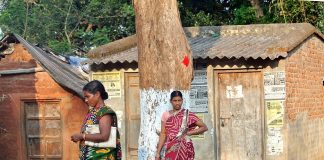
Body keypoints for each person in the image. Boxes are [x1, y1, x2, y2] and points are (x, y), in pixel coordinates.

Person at [71, 80, 122, 160]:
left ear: (97, 94)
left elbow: (104, 136)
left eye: (88, 96)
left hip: (101, 157)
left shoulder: (105, 112)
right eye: (85, 97)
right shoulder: (93, 112)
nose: (86, 100)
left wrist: (82, 136)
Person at [156, 91, 208, 160]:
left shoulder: (187, 114)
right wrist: (158, 152)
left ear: (182, 101)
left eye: (179, 100)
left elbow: (204, 127)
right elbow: (163, 134)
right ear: (170, 101)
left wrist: (188, 133)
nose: (177, 103)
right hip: (171, 148)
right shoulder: (166, 115)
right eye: (175, 100)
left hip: (185, 148)